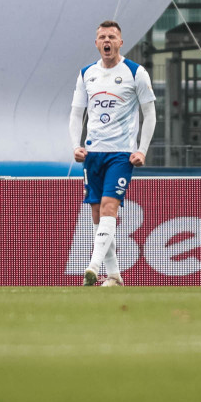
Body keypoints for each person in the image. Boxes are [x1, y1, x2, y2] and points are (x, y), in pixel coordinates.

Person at [69, 20, 156, 287]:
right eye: (102, 37)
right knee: (97, 214)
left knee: (109, 208)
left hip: (121, 154)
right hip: (94, 153)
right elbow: (76, 113)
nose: (107, 41)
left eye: (112, 37)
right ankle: (115, 275)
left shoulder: (135, 72)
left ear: (120, 42)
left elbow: (150, 113)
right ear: (96, 43)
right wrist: (76, 144)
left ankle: (93, 267)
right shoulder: (86, 73)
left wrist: (141, 150)